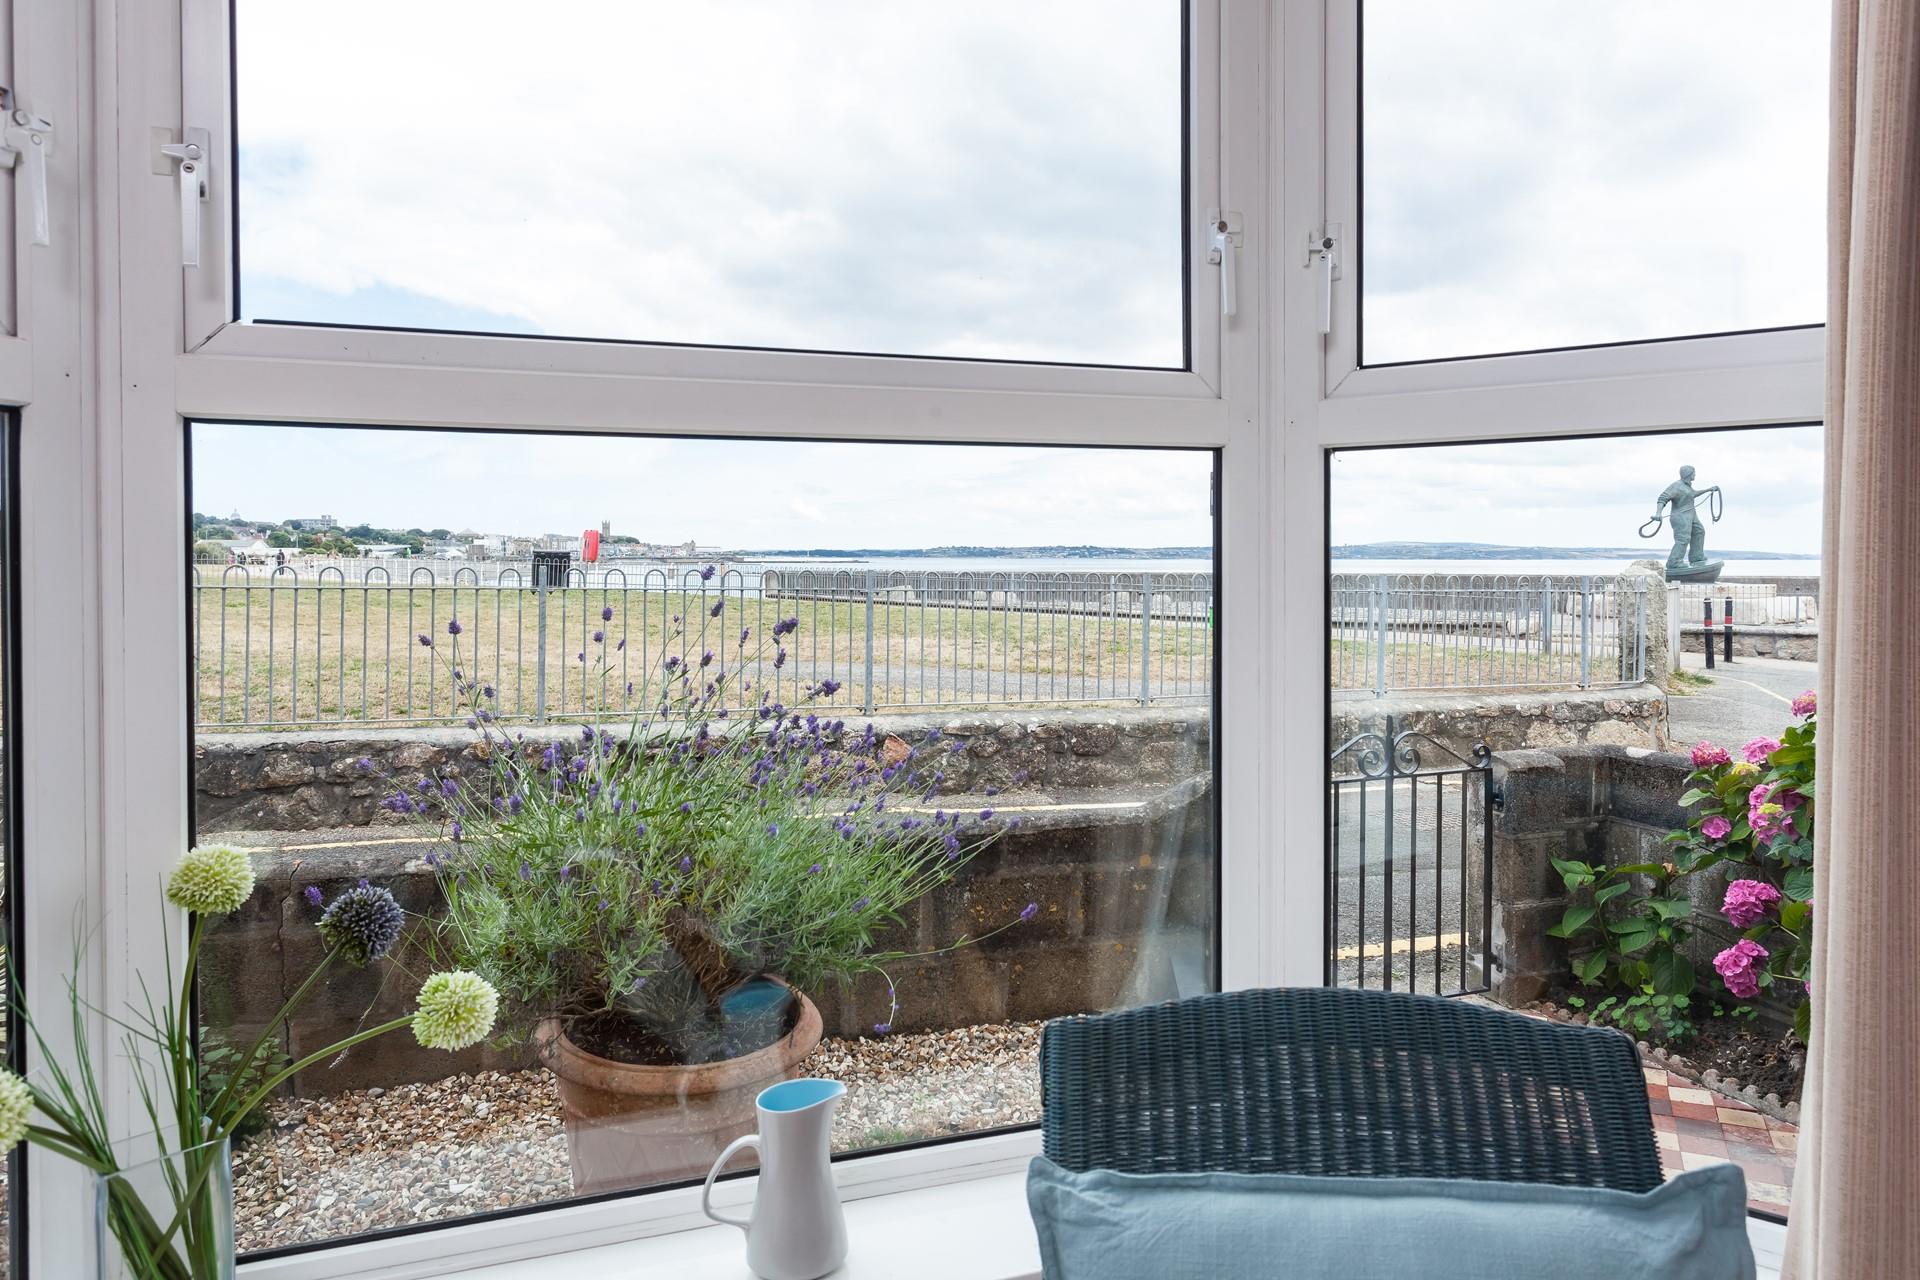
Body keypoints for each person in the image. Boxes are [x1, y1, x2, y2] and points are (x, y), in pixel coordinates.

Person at [1652, 465, 1720, 575]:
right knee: (1683, 539)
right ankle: (1674, 562)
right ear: (1688, 474)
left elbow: (1693, 494)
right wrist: (1658, 513)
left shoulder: (1687, 486)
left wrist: (1709, 490)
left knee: (1699, 531)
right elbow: (1662, 498)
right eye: (1694, 473)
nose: (1695, 475)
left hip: (1691, 515)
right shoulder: (1676, 486)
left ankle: (1696, 557)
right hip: (1680, 517)